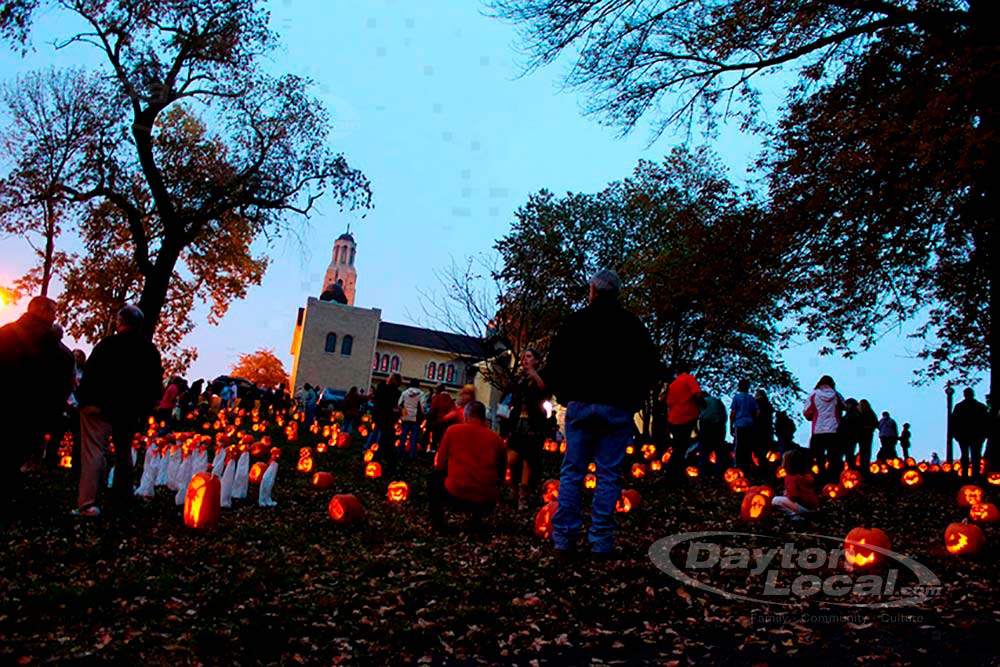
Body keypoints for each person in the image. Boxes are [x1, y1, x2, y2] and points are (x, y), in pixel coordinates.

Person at [543, 269, 658, 560]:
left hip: (581, 404)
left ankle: (565, 539)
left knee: (572, 472)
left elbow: (555, 363)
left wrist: (565, 395)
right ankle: (600, 542)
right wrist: (634, 400)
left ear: (592, 291)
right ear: (617, 294)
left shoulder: (575, 323)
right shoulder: (632, 326)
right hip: (617, 408)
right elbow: (649, 366)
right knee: (608, 475)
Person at [73, 305, 163, 517]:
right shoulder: (149, 351)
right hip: (129, 410)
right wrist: (144, 410)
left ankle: (88, 502)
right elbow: (153, 385)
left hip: (100, 406)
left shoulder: (108, 345)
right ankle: (123, 496)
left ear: (119, 322)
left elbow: (91, 373)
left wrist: (84, 400)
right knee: (124, 453)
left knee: (95, 451)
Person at [0, 296, 74, 506]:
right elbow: (63, 382)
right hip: (35, 409)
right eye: (52, 311)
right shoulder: (57, 350)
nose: (55, 316)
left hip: (7, 401)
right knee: (17, 450)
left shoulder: (5, 333)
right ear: (41, 311)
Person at [430, 401, 506, 533]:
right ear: (484, 418)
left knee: (434, 479)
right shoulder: (497, 440)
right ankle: (476, 518)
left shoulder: (452, 431)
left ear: (466, 416)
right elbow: (501, 472)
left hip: (456, 494)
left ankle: (438, 523)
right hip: (486, 498)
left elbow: (440, 463)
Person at [506, 348, 549, 510]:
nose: (525, 360)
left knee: (529, 459)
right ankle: (512, 488)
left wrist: (533, 374)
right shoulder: (519, 379)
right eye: (524, 357)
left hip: (534, 423)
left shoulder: (541, 377)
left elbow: (545, 391)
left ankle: (523, 495)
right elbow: (512, 395)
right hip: (517, 421)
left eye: (529, 357)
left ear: (536, 361)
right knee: (512, 457)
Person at [665, 362, 703, 479]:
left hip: (673, 419)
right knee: (681, 448)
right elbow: (697, 394)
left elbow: (668, 404)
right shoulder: (689, 378)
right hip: (686, 417)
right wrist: (702, 404)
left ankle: (676, 473)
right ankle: (673, 474)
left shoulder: (673, 385)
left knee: (678, 447)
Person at [803, 375, 846, 477]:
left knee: (818, 456)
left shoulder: (813, 395)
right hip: (834, 429)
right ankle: (833, 476)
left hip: (818, 429)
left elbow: (806, 412)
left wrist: (811, 417)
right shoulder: (836, 395)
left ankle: (820, 476)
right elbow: (845, 406)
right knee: (834, 456)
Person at [772, 448, 820, 521]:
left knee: (775, 500)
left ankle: (794, 515)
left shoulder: (791, 478)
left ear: (787, 464)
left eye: (783, 461)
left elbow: (793, 496)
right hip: (814, 507)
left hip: (803, 507)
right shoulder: (806, 476)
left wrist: (787, 494)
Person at [951, 388, 989, 478]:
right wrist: (985, 434)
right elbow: (986, 421)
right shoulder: (981, 407)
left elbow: (954, 421)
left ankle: (965, 474)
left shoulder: (959, 407)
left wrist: (954, 434)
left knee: (965, 455)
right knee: (976, 456)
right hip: (977, 435)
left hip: (964, 435)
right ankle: (975, 475)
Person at [372, 373, 403, 475]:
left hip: (382, 417)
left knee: (384, 440)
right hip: (387, 418)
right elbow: (393, 406)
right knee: (388, 440)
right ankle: (390, 463)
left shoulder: (382, 388)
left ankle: (377, 459)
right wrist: (396, 410)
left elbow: (377, 401)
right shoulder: (394, 392)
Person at [730, 380, 759, 469]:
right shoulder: (751, 398)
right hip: (749, 423)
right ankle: (747, 464)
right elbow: (758, 412)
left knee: (739, 445)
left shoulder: (737, 398)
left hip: (739, 423)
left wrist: (731, 425)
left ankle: (737, 464)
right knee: (748, 444)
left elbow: (733, 412)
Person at [697, 392, 728, 475]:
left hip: (706, 425)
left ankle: (703, 470)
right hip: (718, 425)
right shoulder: (717, 401)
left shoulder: (701, 402)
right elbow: (725, 415)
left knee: (703, 448)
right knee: (719, 449)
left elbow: (697, 416)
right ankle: (719, 470)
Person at [397, 378, 426, 460]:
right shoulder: (421, 394)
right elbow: (423, 406)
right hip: (416, 418)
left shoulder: (404, 393)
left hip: (405, 416)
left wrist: (403, 412)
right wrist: (423, 414)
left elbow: (399, 404)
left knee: (403, 436)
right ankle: (412, 455)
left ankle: (400, 453)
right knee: (414, 437)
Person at [427, 384, 456, 452]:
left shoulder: (437, 398)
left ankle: (433, 450)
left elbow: (432, 409)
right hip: (446, 422)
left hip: (437, 421)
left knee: (435, 437)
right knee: (442, 438)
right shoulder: (449, 399)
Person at [837, 398, 860, 470]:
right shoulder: (849, 415)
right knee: (846, 455)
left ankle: (850, 470)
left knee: (848, 455)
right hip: (846, 438)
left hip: (849, 438)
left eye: (848, 404)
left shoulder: (853, 415)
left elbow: (847, 426)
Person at [856, 399, 878, 470]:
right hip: (867, 433)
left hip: (862, 433)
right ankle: (865, 465)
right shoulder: (871, 413)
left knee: (863, 449)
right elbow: (876, 423)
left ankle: (863, 464)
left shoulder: (859, 413)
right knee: (866, 449)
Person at [753, 389, 775, 464]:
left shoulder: (755, 405)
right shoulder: (768, 405)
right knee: (766, 452)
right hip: (767, 432)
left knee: (757, 452)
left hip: (757, 431)